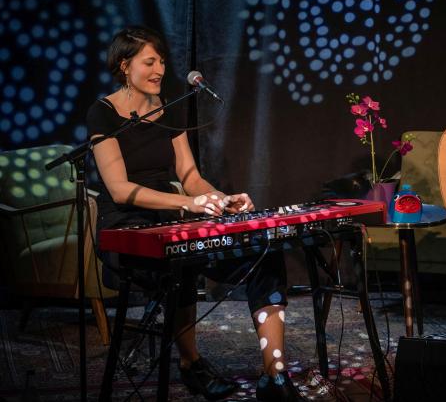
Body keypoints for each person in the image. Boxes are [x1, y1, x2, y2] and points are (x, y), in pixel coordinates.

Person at [87, 26, 303, 401]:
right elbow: (120, 189)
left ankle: (276, 375)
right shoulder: (102, 113)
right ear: (125, 65)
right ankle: (192, 365)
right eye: (149, 61)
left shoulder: (167, 106)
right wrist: (188, 204)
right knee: (180, 265)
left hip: (170, 218)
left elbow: (190, 178)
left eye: (162, 61)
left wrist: (220, 199)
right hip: (125, 226)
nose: (159, 69)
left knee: (263, 251)